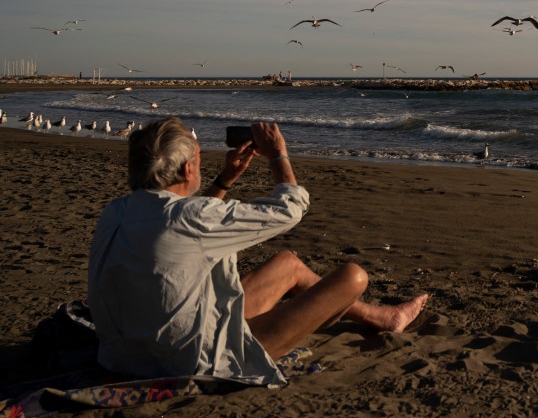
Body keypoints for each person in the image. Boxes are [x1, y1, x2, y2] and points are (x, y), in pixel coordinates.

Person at [88, 119, 428, 385]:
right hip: (193, 361)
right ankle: (380, 317)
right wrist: (278, 154)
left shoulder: (116, 212)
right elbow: (291, 207)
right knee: (354, 277)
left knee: (289, 265)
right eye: (198, 159)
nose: (199, 165)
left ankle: (383, 318)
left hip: (121, 356)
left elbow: (183, 230)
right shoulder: (190, 218)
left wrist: (225, 179)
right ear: (187, 169)